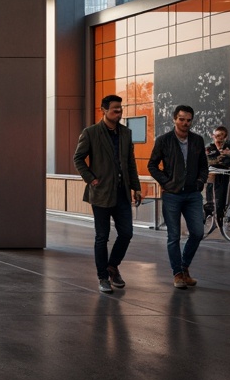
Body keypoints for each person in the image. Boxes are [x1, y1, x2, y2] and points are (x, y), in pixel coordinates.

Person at [74, 95, 141, 293]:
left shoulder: (126, 133)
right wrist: (90, 178)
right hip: (101, 193)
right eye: (115, 109)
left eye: (120, 109)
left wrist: (136, 187)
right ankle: (103, 277)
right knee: (102, 237)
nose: (119, 113)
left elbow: (130, 163)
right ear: (103, 110)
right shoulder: (91, 133)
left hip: (122, 193)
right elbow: (78, 158)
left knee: (127, 233)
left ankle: (112, 266)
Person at [148, 104, 209, 290]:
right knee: (173, 236)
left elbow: (203, 167)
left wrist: (199, 183)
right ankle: (177, 274)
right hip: (172, 195)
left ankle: (184, 267)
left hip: (192, 194)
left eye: (188, 120)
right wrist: (166, 183)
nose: (185, 123)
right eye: (181, 119)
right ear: (174, 119)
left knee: (198, 233)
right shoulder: (164, 140)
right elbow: (152, 165)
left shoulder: (197, 140)